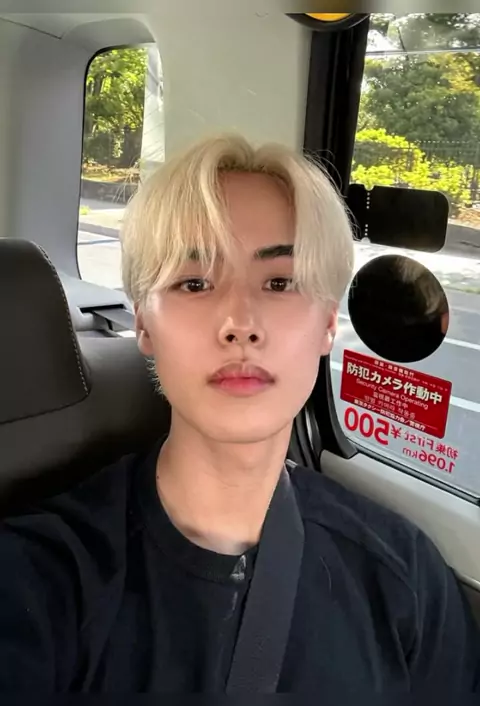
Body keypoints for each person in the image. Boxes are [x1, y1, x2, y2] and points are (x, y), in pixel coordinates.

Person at [0, 135, 479, 697]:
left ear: (328, 325)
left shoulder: (405, 579)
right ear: (145, 324)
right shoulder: (35, 579)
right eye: (194, 283)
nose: (240, 323)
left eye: (280, 282)